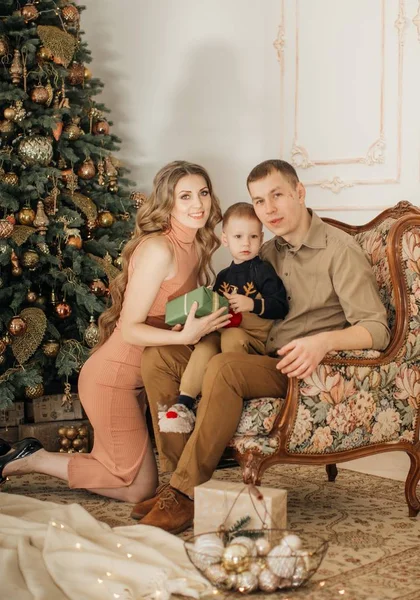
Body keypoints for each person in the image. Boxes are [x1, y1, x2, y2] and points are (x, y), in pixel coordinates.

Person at [131, 159, 391, 533]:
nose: (268, 209)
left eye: (277, 195)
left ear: (299, 193)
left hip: (301, 369)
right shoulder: (266, 252)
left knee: (225, 365)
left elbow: (377, 329)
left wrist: (322, 342)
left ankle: (185, 494)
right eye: (258, 201)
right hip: (257, 353)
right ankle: (177, 480)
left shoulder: (340, 250)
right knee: (158, 357)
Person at [0, 160, 231, 503]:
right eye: (185, 196)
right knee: (139, 489)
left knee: (124, 471)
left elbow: (176, 312)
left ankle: (50, 459)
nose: (197, 204)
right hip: (112, 381)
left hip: (147, 378)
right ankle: (31, 459)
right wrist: (183, 337)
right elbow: (131, 330)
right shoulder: (158, 249)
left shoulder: (198, 245)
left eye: (203, 193)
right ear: (167, 202)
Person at [158, 202, 288, 434]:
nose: (246, 243)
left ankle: (229, 392)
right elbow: (214, 309)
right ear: (225, 239)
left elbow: (281, 306)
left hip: (251, 341)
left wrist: (253, 304)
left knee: (231, 334)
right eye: (238, 236)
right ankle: (184, 403)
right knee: (206, 344)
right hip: (223, 333)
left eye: (253, 237)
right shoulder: (224, 276)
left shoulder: (263, 271)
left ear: (261, 238)